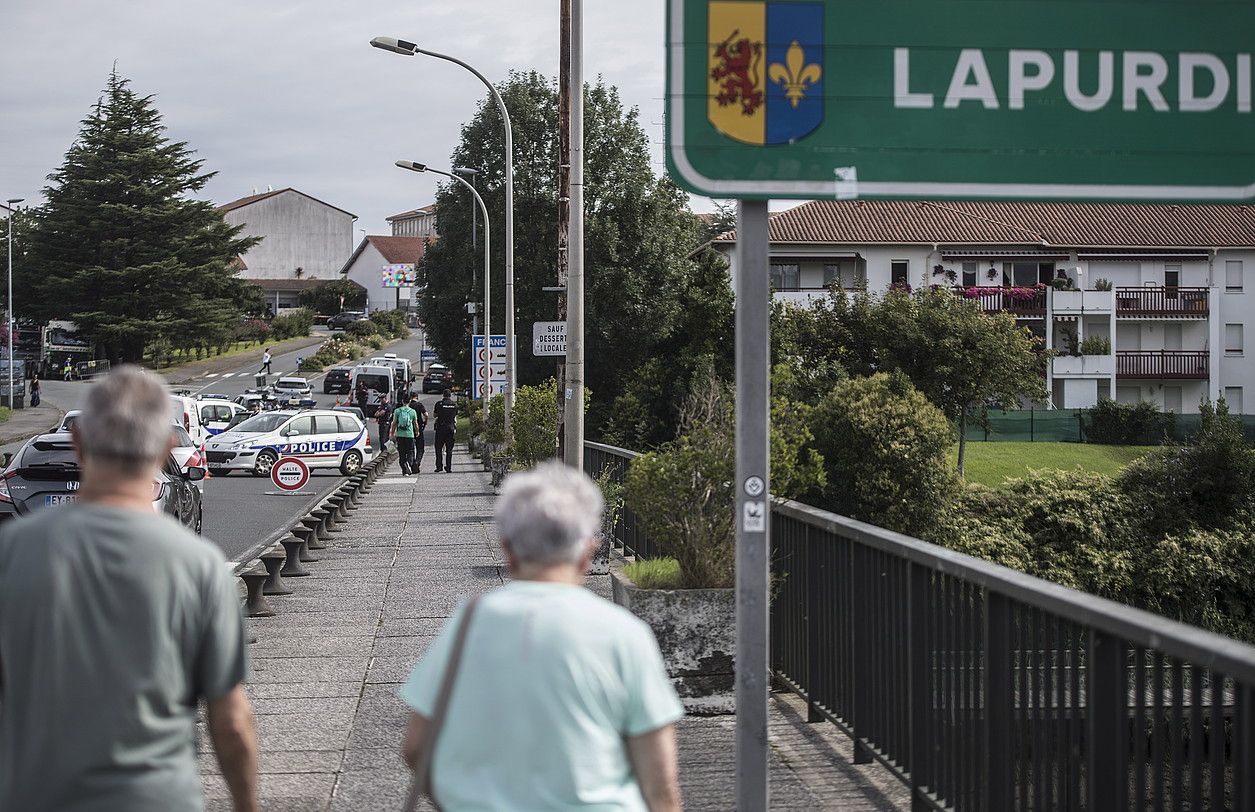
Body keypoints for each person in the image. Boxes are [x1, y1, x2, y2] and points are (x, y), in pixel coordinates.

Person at [0, 366, 258, 812]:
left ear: (79, 444)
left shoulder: (13, 552)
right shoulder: (199, 567)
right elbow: (231, 721)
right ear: (166, 448)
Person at [399, 463, 683, 811]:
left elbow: (416, 747)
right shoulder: (624, 633)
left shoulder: (468, 624)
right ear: (588, 549)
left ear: (508, 550)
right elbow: (660, 781)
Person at [391, 397, 419, 476]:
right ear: (409, 401)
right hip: (410, 435)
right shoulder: (412, 411)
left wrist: (392, 434)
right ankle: (409, 464)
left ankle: (405, 470)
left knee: (402, 453)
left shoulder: (397, 411)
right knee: (410, 452)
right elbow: (415, 423)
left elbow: (394, 423)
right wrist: (417, 431)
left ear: (402, 401)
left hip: (400, 435)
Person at [433, 389, 457, 473]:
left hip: (441, 428)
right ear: (450, 395)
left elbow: (435, 415)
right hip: (450, 428)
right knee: (449, 449)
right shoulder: (454, 405)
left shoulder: (439, 404)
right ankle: (449, 467)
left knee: (438, 448)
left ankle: (439, 466)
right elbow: (455, 415)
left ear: (443, 395)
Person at [411, 397, 429, 470]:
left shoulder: (409, 406)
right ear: (417, 397)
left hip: (410, 429)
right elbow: (426, 414)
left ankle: (412, 462)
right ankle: (417, 461)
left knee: (411, 448)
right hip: (419, 427)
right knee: (420, 447)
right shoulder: (419, 405)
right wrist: (425, 422)